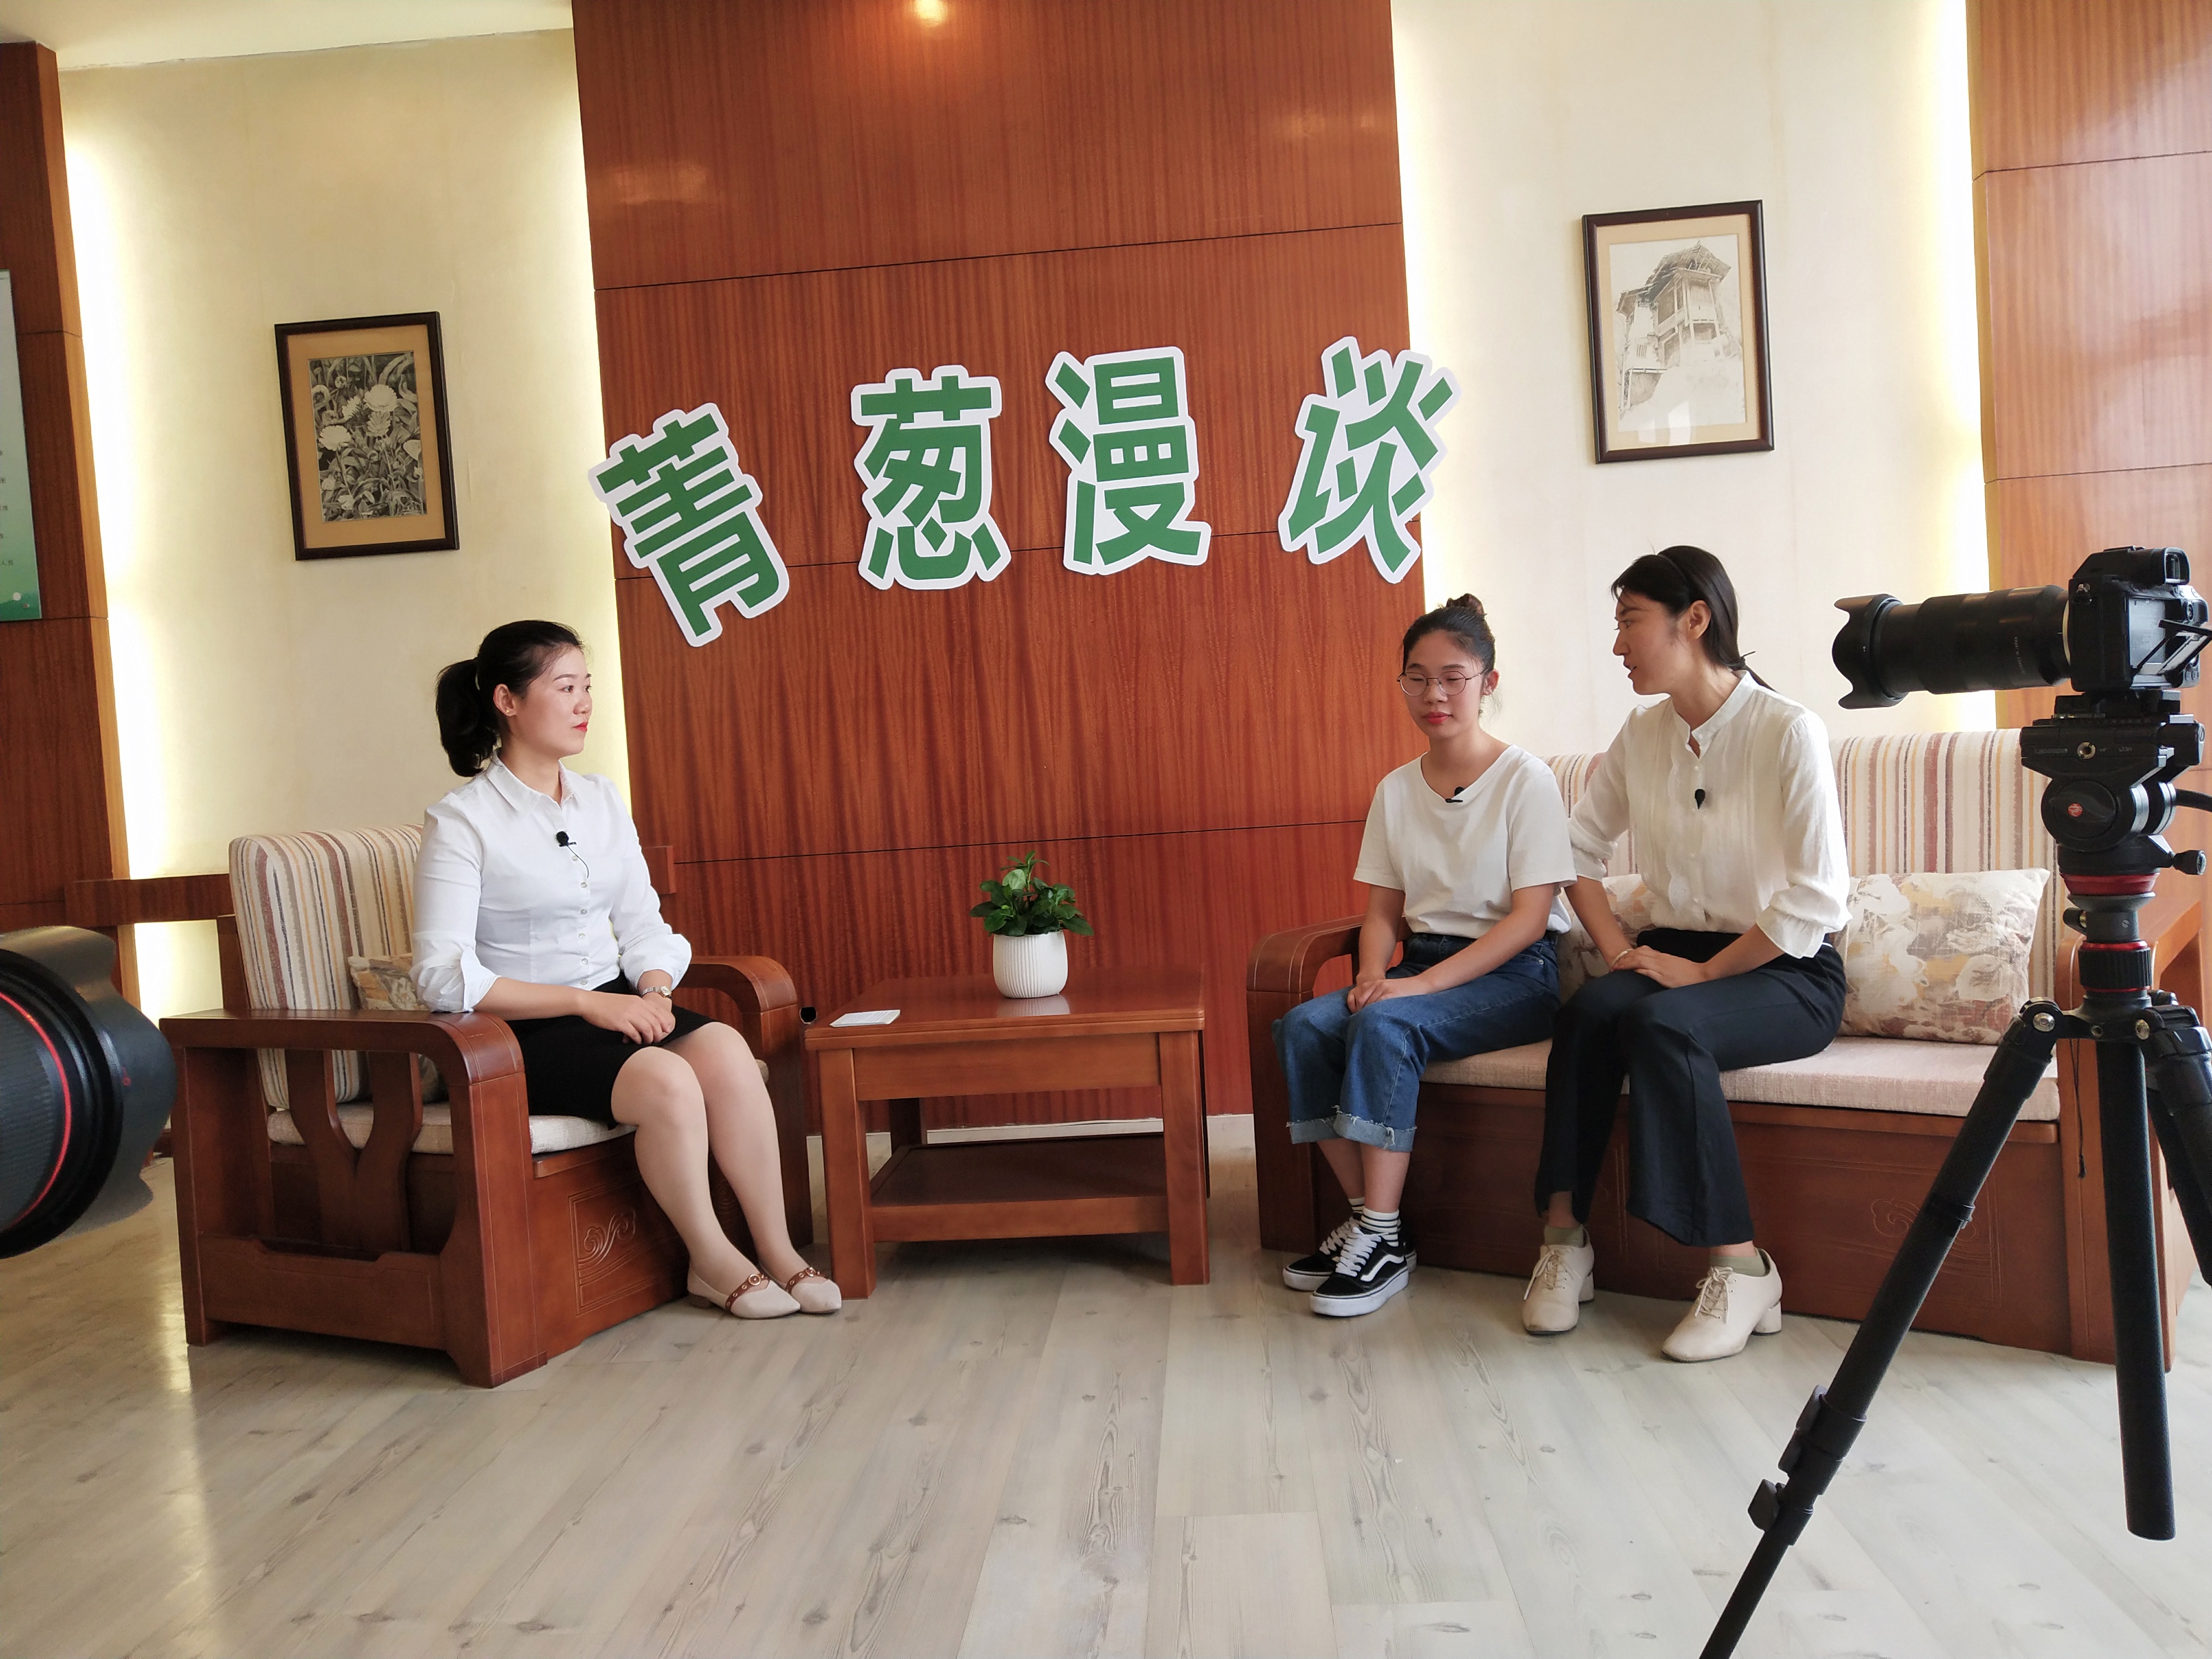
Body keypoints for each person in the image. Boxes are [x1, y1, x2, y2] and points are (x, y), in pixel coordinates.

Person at [410, 621, 836, 1320]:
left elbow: (644, 926)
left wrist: (656, 988)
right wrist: (587, 1004)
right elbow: (442, 975)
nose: (584, 703)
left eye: (587, 687)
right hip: (517, 1032)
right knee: (668, 1079)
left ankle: (778, 1249)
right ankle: (711, 1260)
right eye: (564, 688)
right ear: (507, 701)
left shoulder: (601, 800)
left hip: (615, 1003)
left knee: (726, 1050)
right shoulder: (462, 822)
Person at [1524, 548, 1849, 1361]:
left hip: (1785, 971)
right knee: (1592, 1014)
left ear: (1694, 619)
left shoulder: (1787, 730)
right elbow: (1574, 850)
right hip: (1670, 955)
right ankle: (1564, 1243)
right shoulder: (1643, 734)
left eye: (1630, 621)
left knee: (1665, 1026)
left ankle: (1742, 1269)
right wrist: (1618, 952)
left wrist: (1703, 974)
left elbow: (1816, 898)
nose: (1618, 645)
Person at [1274, 595, 1577, 1317]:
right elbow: (1383, 911)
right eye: (1417, 678)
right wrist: (1372, 975)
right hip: (1421, 966)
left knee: (1386, 1025)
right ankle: (1374, 1225)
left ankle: (1379, 1237)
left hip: (1516, 974)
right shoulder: (1395, 790)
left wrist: (1418, 989)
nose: (1434, 695)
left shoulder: (1526, 780)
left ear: (1487, 683)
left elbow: (1530, 919)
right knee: (1303, 1027)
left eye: (1452, 678)